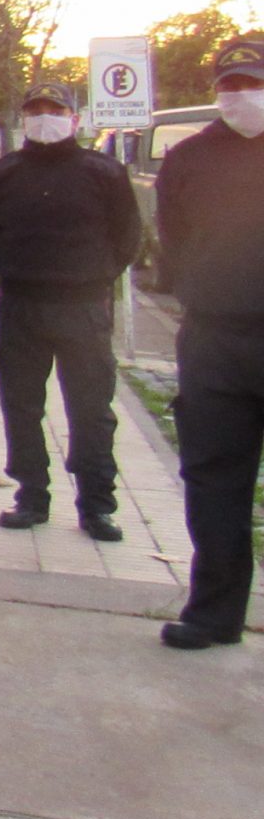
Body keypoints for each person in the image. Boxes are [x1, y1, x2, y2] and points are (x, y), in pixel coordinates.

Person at [0, 83, 141, 543]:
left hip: (83, 308)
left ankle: (97, 506)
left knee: (91, 411)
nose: (45, 116)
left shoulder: (103, 172)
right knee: (22, 405)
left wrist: (92, 277)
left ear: (74, 117)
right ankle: (31, 496)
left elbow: (127, 238)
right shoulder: (1, 174)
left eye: (55, 108)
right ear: (24, 118)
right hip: (21, 307)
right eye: (36, 109)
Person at [150, 34, 264, 650]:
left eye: (252, 83)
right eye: (230, 86)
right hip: (216, 337)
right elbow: (173, 237)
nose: (242, 96)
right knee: (214, 477)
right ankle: (215, 613)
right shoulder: (190, 158)